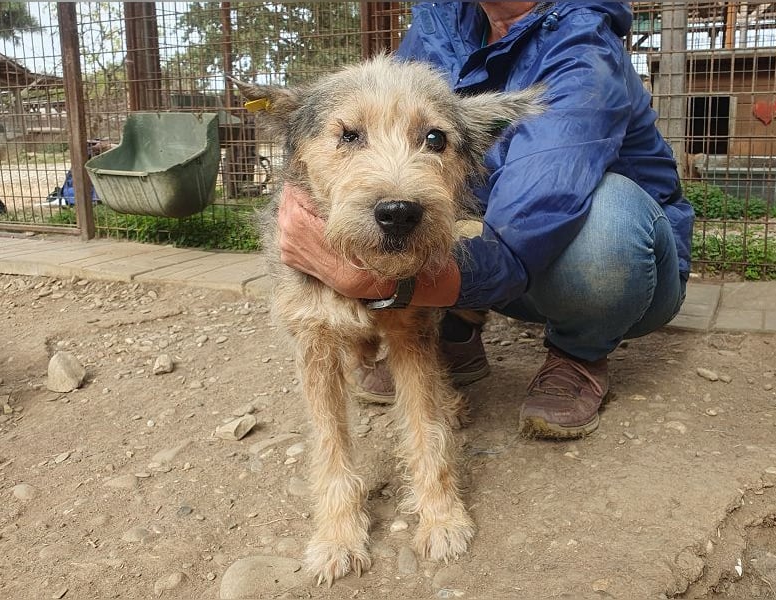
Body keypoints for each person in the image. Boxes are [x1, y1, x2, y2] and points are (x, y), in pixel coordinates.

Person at [275, 2, 694, 439]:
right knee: (449, 204)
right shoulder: (442, 21)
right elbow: (389, 129)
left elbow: (536, 217)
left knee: (606, 221)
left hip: (625, 272)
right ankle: (457, 329)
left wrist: (371, 283)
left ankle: (579, 353)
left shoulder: (583, 46)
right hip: (514, 262)